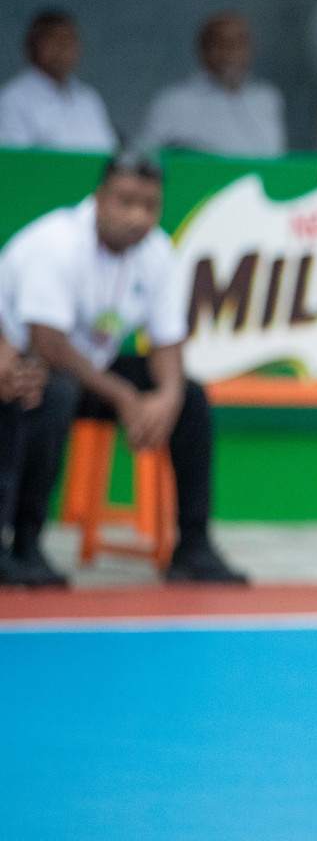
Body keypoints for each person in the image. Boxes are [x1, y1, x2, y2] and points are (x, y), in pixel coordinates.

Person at [0, 153, 246, 586]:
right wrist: (127, 398)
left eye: (150, 205)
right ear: (99, 199)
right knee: (52, 392)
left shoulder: (156, 252)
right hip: (28, 368)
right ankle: (24, 545)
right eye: (126, 202)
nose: (138, 216)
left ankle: (192, 545)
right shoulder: (56, 243)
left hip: (92, 373)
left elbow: (168, 341)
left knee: (190, 396)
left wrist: (165, 400)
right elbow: (48, 343)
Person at [136, 12, 286, 158]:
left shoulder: (266, 98)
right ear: (203, 48)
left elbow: (276, 156)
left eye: (239, 42)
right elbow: (144, 157)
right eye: (220, 42)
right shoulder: (175, 101)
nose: (230, 51)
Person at [0, 10, 117, 153]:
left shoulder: (88, 98)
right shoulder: (13, 99)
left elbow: (109, 154)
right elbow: (14, 162)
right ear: (32, 46)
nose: (63, 49)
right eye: (54, 40)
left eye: (69, 41)